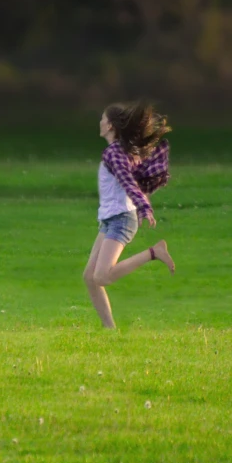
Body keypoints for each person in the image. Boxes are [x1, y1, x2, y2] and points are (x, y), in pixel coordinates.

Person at [83, 101, 176, 329]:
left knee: (102, 277)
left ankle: (154, 252)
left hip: (121, 219)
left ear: (110, 126)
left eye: (103, 119)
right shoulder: (120, 151)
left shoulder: (114, 153)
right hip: (110, 219)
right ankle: (109, 329)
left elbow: (127, 180)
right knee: (90, 277)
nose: (100, 122)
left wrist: (143, 206)